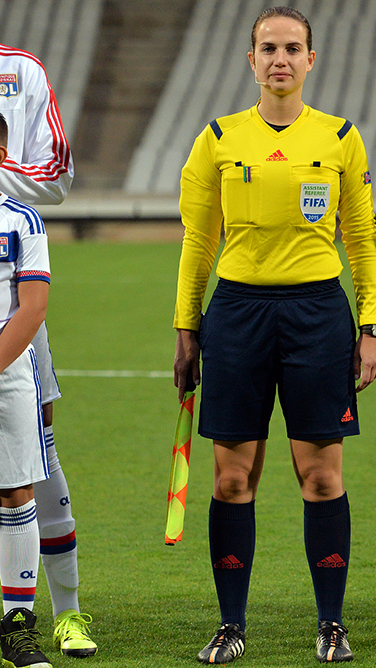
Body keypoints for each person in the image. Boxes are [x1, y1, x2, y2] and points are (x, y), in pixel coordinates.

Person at [172, 6, 376, 664]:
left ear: (311, 60)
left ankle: (331, 624)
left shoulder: (342, 137)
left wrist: (371, 324)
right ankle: (232, 625)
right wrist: (187, 326)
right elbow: (198, 243)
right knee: (232, 478)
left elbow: (363, 242)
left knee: (321, 477)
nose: (280, 59)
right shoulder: (216, 138)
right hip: (236, 315)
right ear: (251, 59)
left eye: (293, 47)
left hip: (318, 313)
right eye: (268, 48)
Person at [0, 43, 96, 657]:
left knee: (36, 449)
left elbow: (55, 178)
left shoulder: (21, 70)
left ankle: (64, 611)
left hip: (10, 296)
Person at [0, 110, 54, 668]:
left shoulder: (22, 221)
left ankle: (16, 626)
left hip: (8, 372)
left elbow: (32, 307)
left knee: (15, 493)